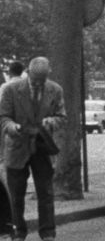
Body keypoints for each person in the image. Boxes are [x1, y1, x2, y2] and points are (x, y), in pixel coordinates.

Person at [0, 57, 66, 241]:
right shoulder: (11, 90)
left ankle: (47, 233)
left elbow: (62, 117)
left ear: (47, 76)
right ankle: (18, 232)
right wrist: (13, 127)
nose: (38, 84)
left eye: (41, 81)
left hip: (42, 146)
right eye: (35, 80)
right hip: (17, 146)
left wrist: (50, 122)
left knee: (46, 193)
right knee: (16, 195)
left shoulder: (55, 90)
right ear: (28, 73)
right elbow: (3, 117)